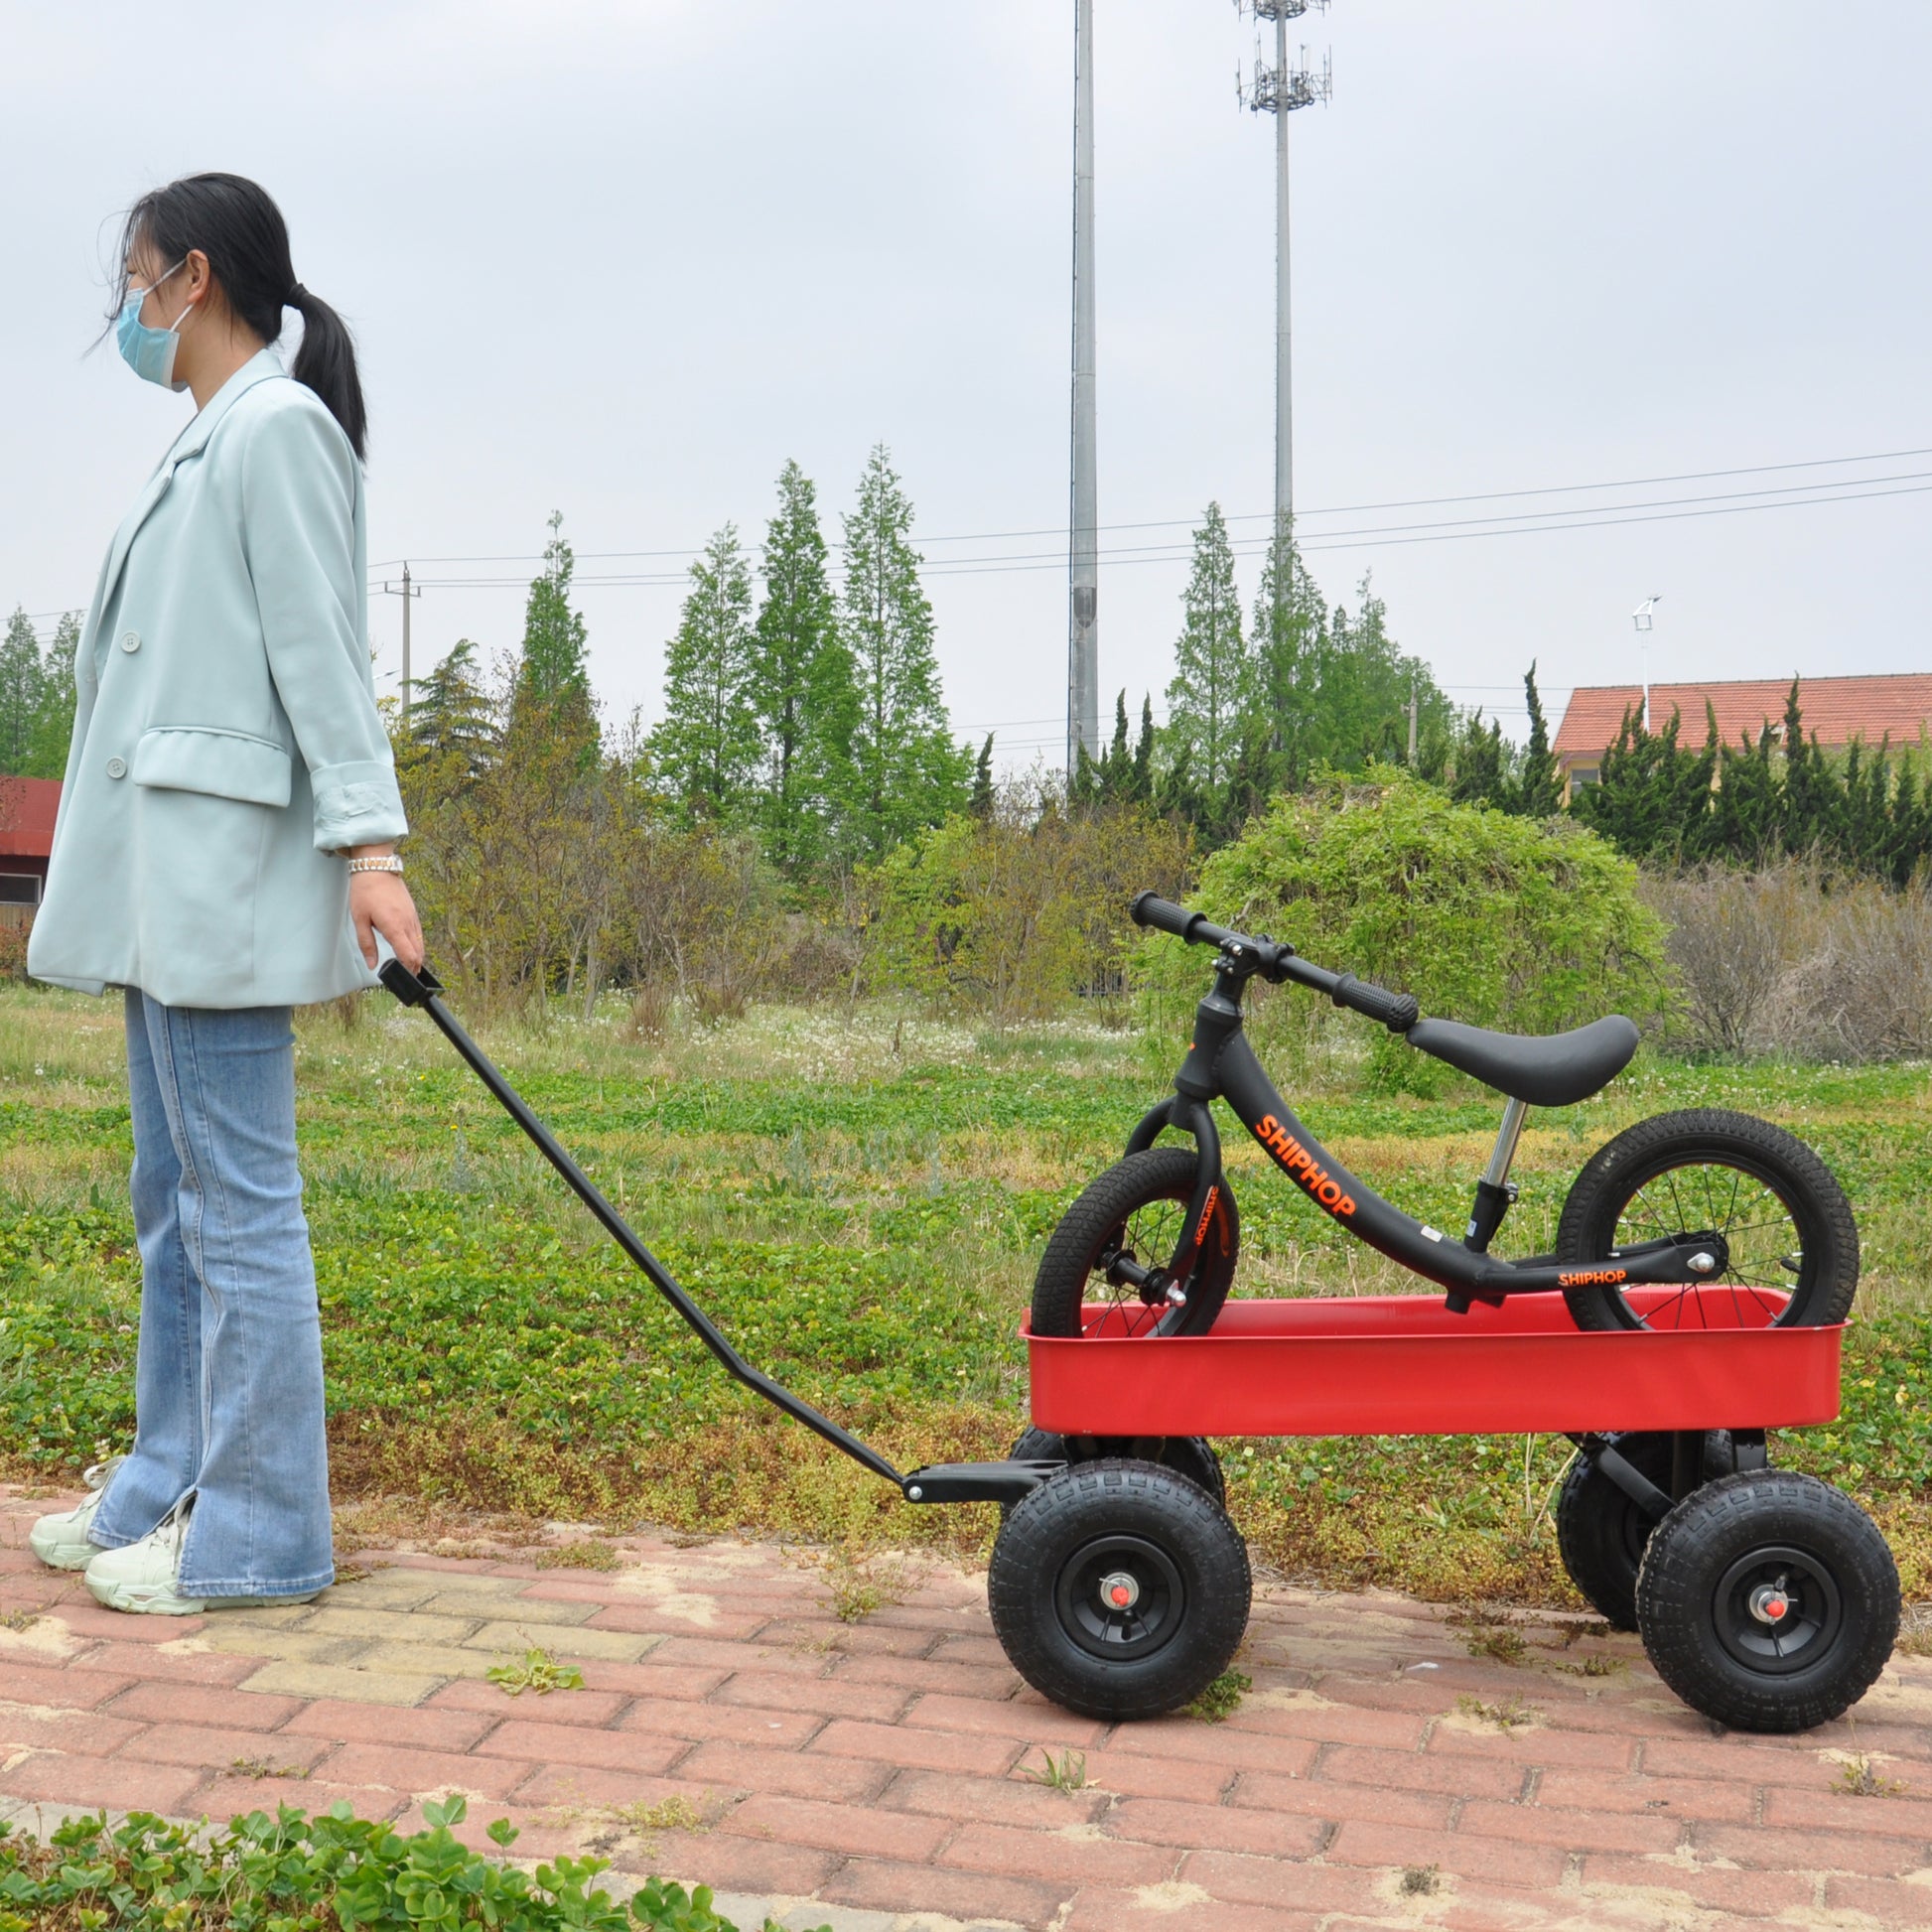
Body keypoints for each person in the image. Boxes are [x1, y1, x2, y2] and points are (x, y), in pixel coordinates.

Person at [25, 172, 426, 1614]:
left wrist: (371, 851)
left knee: (239, 1206)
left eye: (135, 279)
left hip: (220, 885)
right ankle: (171, 1474)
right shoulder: (214, 438)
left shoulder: (277, 432)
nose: (127, 309)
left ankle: (262, 1529)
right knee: (174, 1198)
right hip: (163, 884)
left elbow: (324, 655)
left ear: (192, 276)